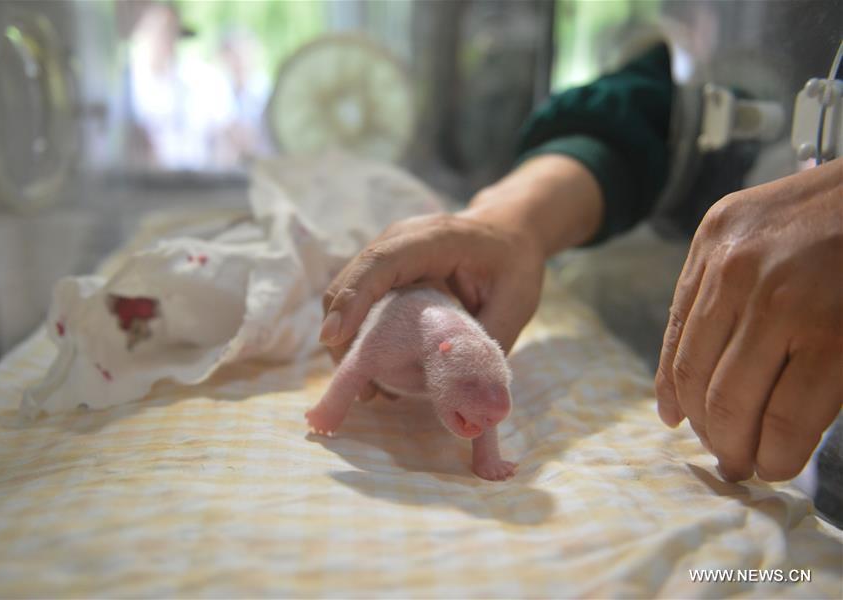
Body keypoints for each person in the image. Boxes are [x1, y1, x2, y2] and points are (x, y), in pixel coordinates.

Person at [318, 43, 843, 484]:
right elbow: (669, 106)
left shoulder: (454, 351)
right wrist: (510, 220)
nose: (496, 414)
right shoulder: (420, 341)